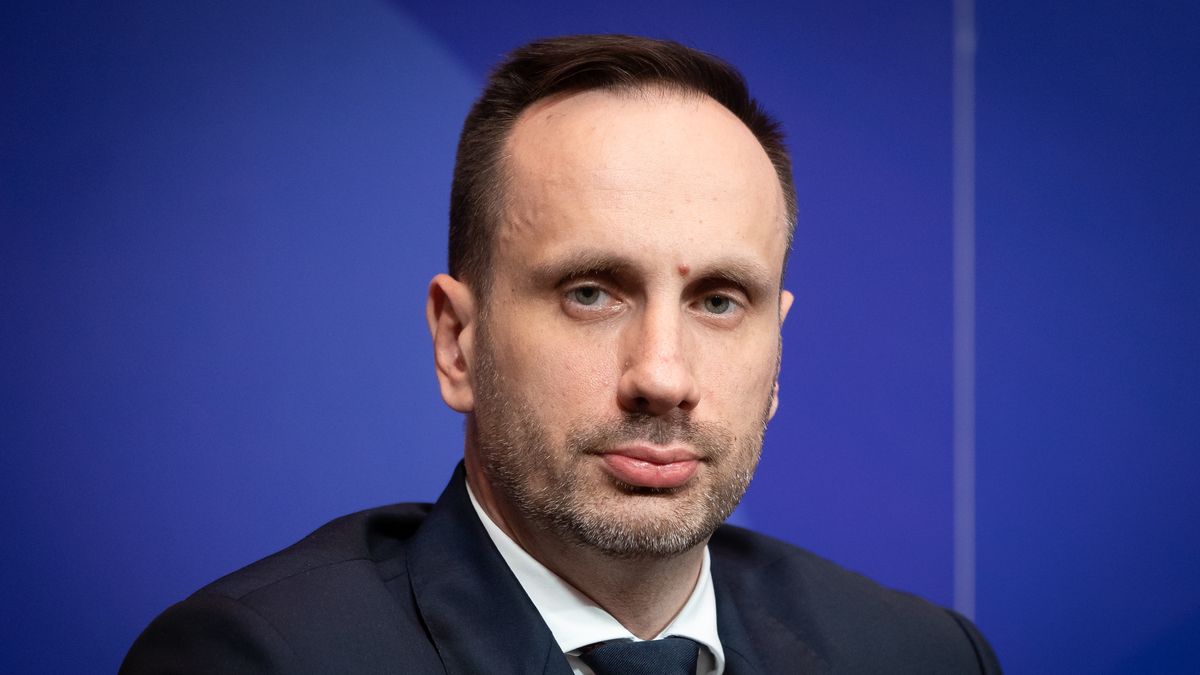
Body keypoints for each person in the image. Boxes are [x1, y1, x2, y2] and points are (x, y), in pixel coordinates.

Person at [122, 34, 1001, 674]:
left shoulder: (921, 656)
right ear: (457, 341)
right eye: (591, 291)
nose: (663, 374)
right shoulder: (259, 659)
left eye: (720, 301)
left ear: (778, 354)